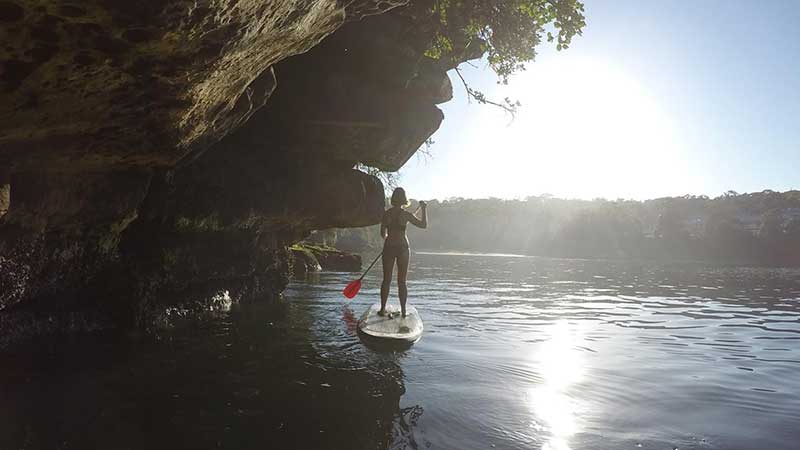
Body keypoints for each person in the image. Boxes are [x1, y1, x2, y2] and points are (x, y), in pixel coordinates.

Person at [380, 187, 427, 318]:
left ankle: (382, 309)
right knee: (402, 282)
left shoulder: (387, 214)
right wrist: (424, 208)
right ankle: (404, 311)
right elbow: (423, 225)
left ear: (393, 199)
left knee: (386, 280)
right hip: (403, 248)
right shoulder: (406, 215)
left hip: (389, 248)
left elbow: (382, 233)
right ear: (404, 199)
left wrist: (389, 237)